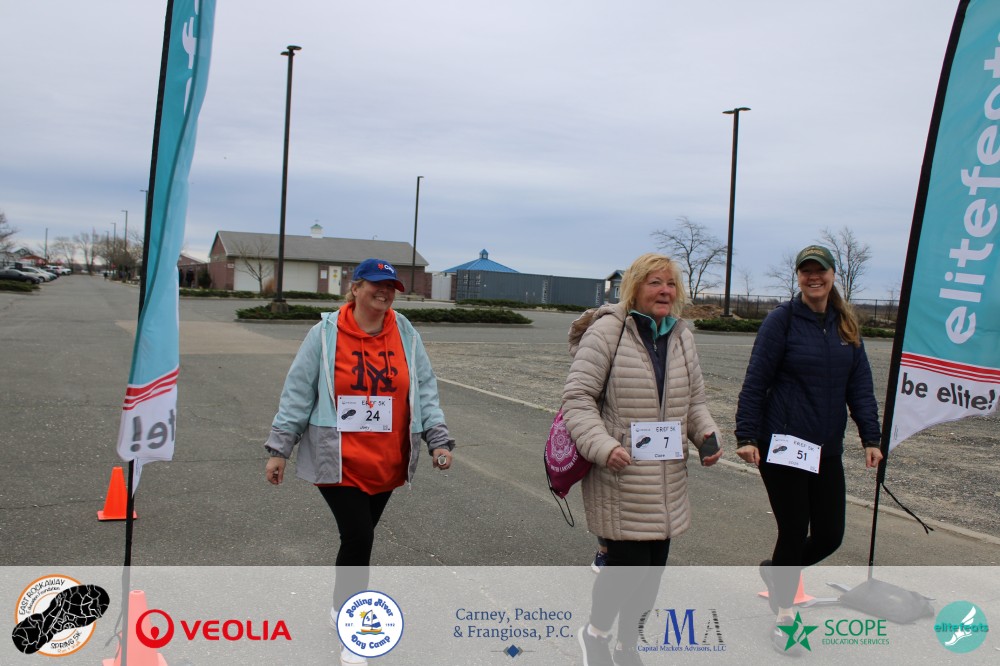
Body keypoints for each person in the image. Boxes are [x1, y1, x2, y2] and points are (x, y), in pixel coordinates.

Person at [263, 258, 455, 666]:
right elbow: (298, 390)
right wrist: (280, 449)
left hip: (387, 462)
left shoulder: (405, 332)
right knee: (359, 537)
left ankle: (339, 605)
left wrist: (438, 440)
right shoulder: (325, 334)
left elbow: (424, 388)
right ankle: (355, 630)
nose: (384, 292)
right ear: (355, 288)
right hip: (339, 460)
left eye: (391, 287)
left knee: (358, 540)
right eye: (376, 284)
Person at [562, 252, 723, 666]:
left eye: (670, 283)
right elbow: (577, 399)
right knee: (627, 570)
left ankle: (627, 646)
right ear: (634, 288)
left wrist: (706, 435)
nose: (665, 290)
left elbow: (695, 403)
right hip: (621, 474)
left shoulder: (682, 335)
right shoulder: (608, 331)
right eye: (655, 282)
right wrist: (603, 446)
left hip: (667, 480)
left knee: (651, 575)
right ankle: (595, 634)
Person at [734, 244, 883, 654]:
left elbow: (860, 387)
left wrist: (871, 437)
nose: (813, 277)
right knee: (794, 528)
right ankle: (785, 617)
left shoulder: (846, 324)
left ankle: (777, 573)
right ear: (798, 277)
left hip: (825, 447)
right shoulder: (781, 321)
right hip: (782, 444)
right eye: (806, 271)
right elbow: (756, 380)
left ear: (833, 275)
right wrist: (746, 436)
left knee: (830, 535)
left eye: (820, 270)